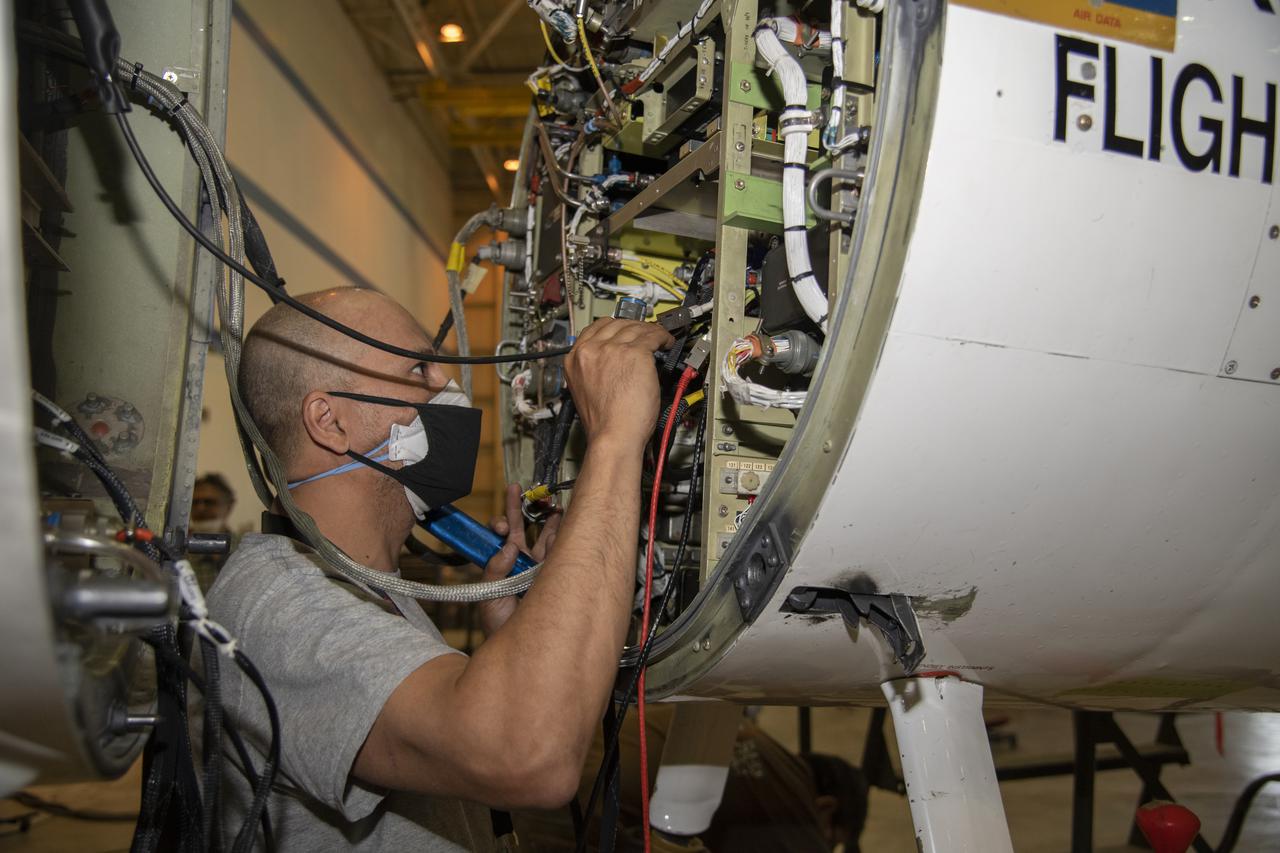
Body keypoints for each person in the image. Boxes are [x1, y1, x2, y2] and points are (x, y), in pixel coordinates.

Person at [205, 287, 672, 851]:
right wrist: (616, 440)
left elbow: (460, 739)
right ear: (329, 422)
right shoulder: (278, 605)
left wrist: (516, 644)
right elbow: (528, 755)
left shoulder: (362, 582)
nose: (447, 390)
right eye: (419, 368)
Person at [188, 472, 237, 591]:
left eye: (209, 502)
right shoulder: (177, 552)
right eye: (195, 503)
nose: (200, 508)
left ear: (228, 506)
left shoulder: (244, 549)